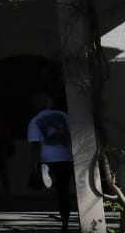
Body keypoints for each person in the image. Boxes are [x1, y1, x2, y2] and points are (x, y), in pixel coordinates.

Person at [27, 94, 74, 233]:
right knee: (63, 191)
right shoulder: (63, 115)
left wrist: (34, 165)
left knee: (35, 183)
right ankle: (65, 225)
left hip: (47, 158)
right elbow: (72, 135)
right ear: (50, 104)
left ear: (35, 107)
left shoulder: (35, 121)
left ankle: (45, 172)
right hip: (65, 158)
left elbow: (35, 146)